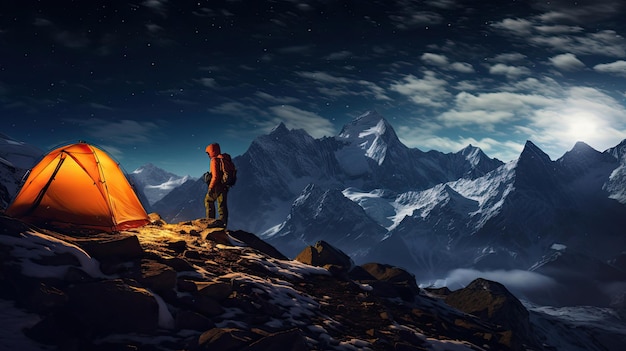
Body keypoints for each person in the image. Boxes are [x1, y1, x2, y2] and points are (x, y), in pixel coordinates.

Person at [204, 143, 228, 227]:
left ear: (212, 151)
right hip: (224, 185)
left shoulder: (214, 160)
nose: (208, 155)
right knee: (222, 205)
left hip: (217, 186)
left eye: (208, 153)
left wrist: (210, 187)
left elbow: (215, 176)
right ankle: (223, 223)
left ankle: (210, 221)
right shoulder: (224, 159)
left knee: (208, 200)